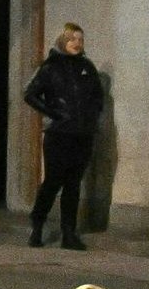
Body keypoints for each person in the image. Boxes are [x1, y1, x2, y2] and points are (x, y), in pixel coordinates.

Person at [22, 26, 105, 248]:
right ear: (63, 41)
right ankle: (37, 223)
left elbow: (98, 96)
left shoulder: (87, 68)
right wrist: (54, 113)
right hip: (59, 134)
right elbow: (30, 94)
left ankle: (69, 233)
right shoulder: (51, 67)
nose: (77, 43)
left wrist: (92, 115)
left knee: (73, 184)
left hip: (82, 134)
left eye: (80, 39)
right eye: (72, 39)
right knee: (53, 181)